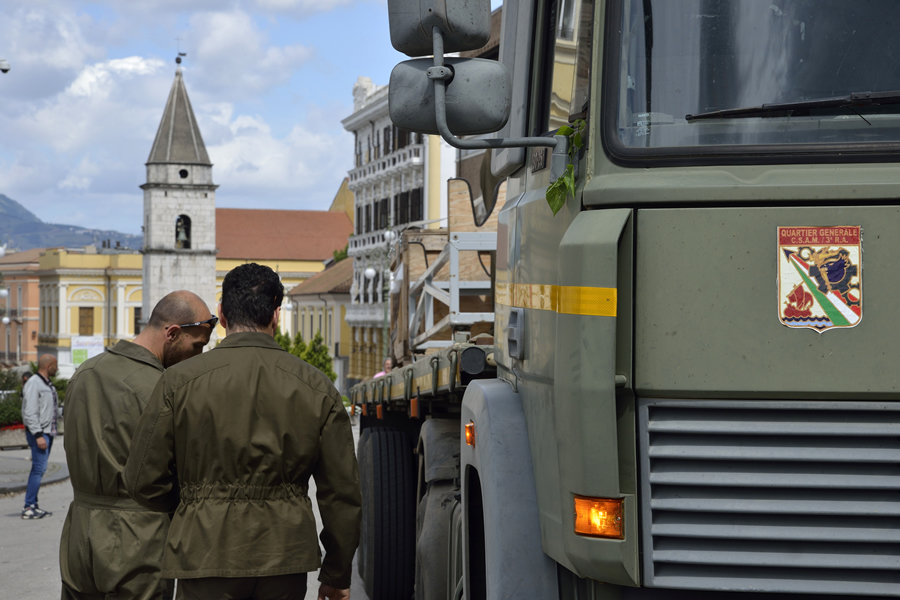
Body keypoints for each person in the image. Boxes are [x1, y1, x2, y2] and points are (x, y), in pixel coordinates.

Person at [126, 263, 361, 600]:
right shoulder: (317, 387)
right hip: (284, 557)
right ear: (276, 315)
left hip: (203, 552)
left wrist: (195, 505)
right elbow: (341, 493)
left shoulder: (178, 382)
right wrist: (337, 574)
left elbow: (142, 480)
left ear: (221, 315)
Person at [59, 291, 215, 600]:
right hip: (138, 538)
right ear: (172, 333)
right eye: (197, 345)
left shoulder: (84, 373)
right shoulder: (162, 388)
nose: (198, 356)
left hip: (79, 535)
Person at [21, 354, 59, 519]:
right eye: (55, 366)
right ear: (48, 366)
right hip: (39, 433)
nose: (57, 369)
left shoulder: (47, 384)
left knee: (38, 469)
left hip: (47, 432)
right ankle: (28, 507)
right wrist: (38, 434)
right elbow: (30, 411)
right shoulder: (34, 383)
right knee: (39, 469)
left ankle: (33, 505)